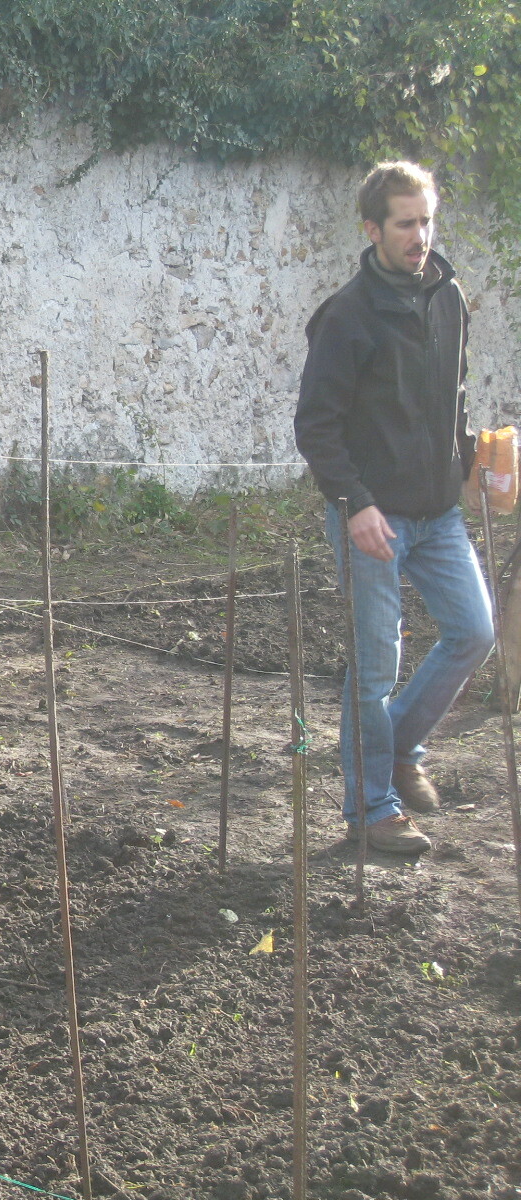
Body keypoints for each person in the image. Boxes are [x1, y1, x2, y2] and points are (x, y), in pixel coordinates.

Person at [294, 161, 495, 855]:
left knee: (474, 632)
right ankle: (371, 808)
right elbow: (316, 427)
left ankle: (400, 747)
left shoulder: (448, 297)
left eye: (426, 221)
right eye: (405, 224)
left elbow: (453, 397)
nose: (420, 236)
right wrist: (354, 505)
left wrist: (472, 463)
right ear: (372, 229)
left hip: (439, 514)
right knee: (375, 667)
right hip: (373, 517)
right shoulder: (347, 316)